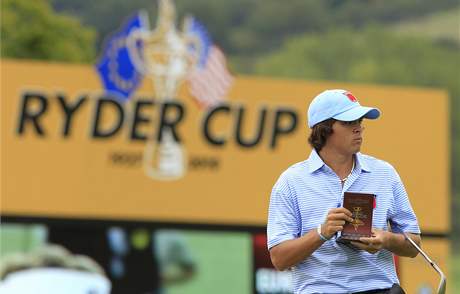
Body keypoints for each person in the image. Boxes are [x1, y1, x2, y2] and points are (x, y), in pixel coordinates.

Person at [267, 89, 421, 293]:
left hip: (379, 288)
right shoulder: (291, 182)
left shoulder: (385, 173)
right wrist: (322, 233)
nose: (359, 129)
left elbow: (414, 244)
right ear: (323, 129)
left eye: (360, 121)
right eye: (349, 122)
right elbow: (279, 259)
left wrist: (386, 239)